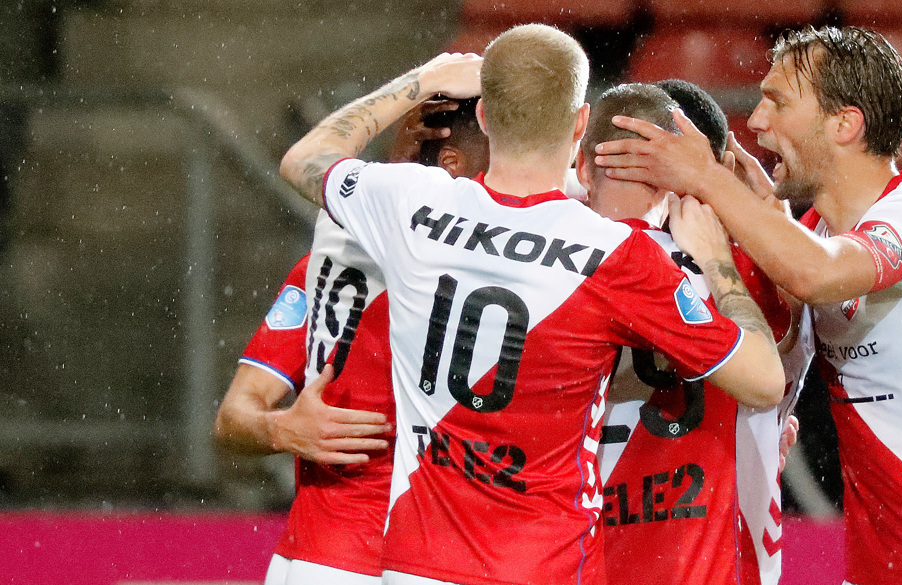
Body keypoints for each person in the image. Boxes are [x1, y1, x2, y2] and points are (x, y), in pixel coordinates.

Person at [277, 24, 784, 585]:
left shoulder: (412, 204)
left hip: (416, 560)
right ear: (579, 124)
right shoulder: (617, 256)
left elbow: (306, 158)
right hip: (538, 563)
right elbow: (764, 381)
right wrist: (717, 262)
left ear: (485, 117)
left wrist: (421, 80)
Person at [595, 26, 902, 584]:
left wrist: (706, 177)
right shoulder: (814, 230)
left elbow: (814, 273)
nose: (757, 122)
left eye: (778, 102)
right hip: (880, 572)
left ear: (845, 124)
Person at [214, 98, 489, 585]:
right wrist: (281, 429)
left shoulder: (503, 276)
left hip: (429, 558)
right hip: (339, 558)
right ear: (451, 167)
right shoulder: (327, 270)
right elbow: (232, 419)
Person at [580, 83, 802, 585]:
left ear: (583, 166)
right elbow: (792, 356)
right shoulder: (746, 269)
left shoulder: (546, 265)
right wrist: (767, 218)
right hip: (714, 562)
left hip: (579, 556)